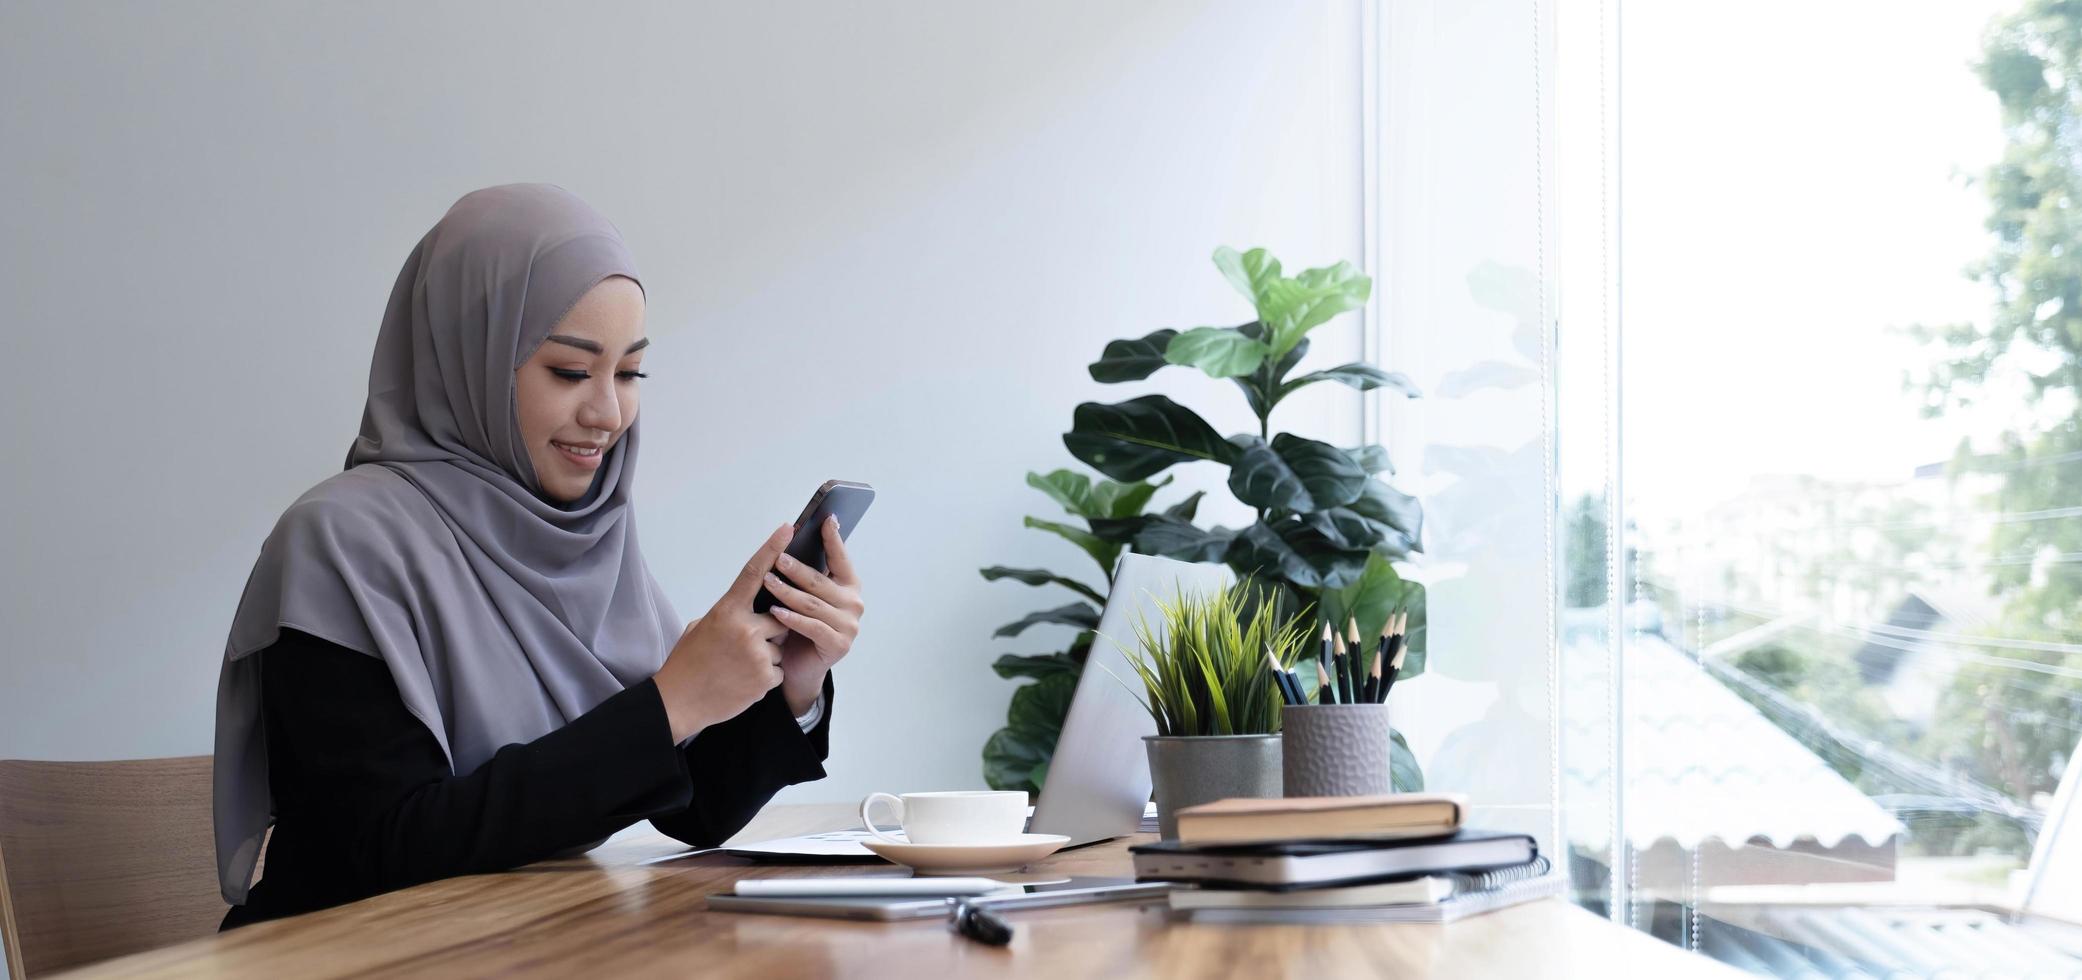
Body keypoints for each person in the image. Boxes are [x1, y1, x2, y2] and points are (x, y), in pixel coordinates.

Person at [210, 184, 864, 929]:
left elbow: (692, 807)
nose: (608, 414)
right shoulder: (339, 543)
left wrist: (790, 685)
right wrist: (672, 701)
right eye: (569, 371)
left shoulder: (590, 541)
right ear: (470, 357)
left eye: (629, 374)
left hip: (521, 948)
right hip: (340, 957)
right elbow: (383, 848)